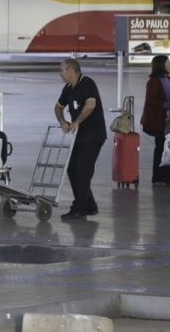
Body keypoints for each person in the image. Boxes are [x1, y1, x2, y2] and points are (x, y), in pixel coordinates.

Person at [54, 58, 107, 220]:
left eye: (62, 70)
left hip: (93, 134)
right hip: (79, 135)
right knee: (72, 169)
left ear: (70, 70)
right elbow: (58, 107)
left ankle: (79, 207)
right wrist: (63, 121)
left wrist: (77, 121)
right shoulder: (68, 88)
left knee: (83, 170)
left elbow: (90, 105)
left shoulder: (87, 83)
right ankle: (89, 205)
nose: (61, 74)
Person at [142, 55, 170, 187]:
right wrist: (167, 104)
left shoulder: (167, 79)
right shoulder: (153, 82)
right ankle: (158, 178)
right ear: (161, 65)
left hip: (168, 120)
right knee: (160, 148)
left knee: (169, 148)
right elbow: (151, 100)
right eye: (168, 63)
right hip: (158, 121)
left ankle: (169, 177)